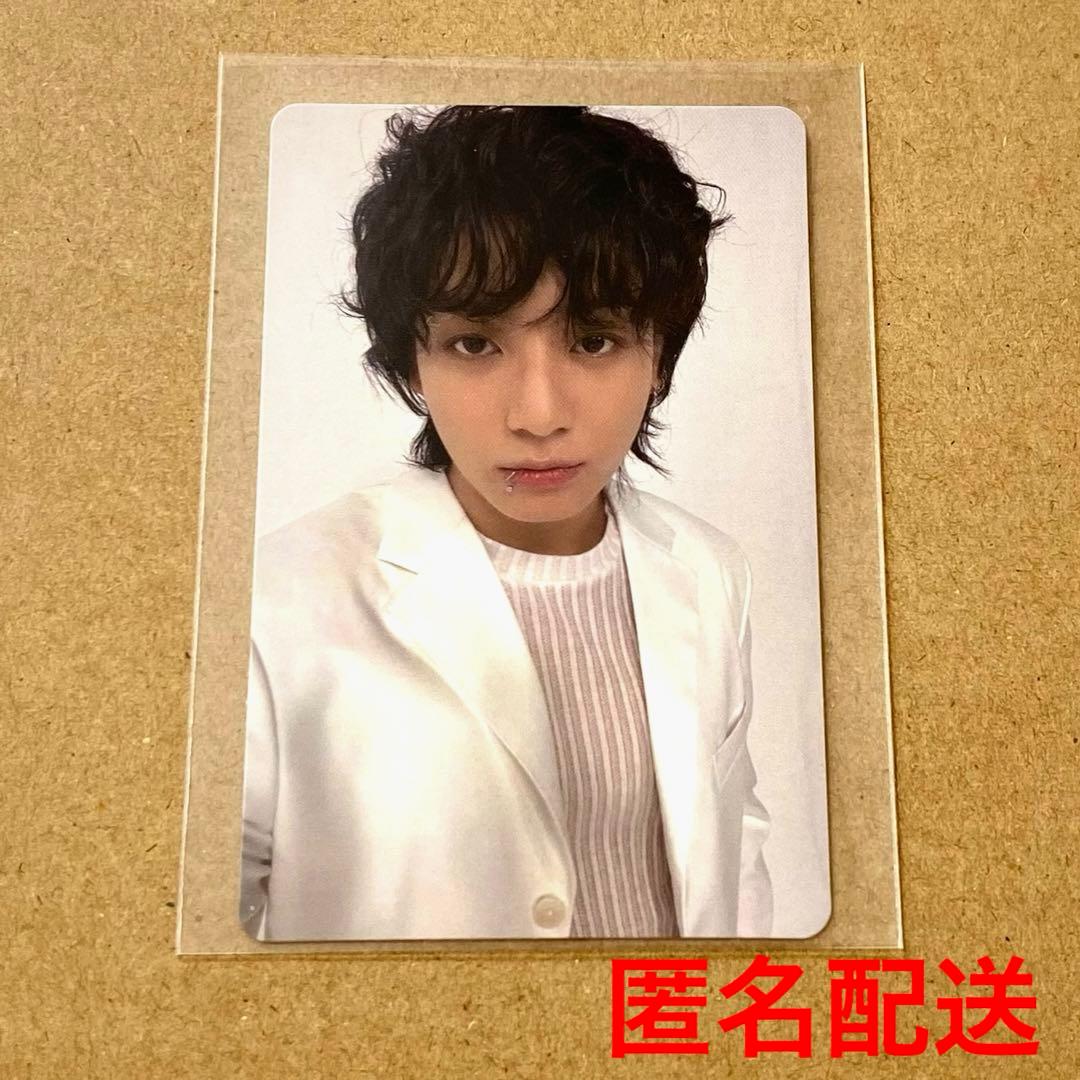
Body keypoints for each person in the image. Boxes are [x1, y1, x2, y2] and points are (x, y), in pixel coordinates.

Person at [240, 105, 772, 941]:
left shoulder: (709, 571)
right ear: (411, 363)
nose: (538, 414)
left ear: (659, 356)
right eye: (475, 345)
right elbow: (196, 940)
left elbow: (734, 862)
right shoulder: (275, 600)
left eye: (593, 341)